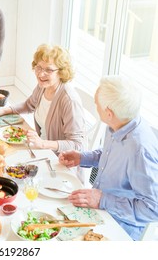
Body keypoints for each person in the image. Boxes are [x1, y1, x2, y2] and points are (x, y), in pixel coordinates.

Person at [59, 77, 158, 240]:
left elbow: (153, 208)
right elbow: (111, 154)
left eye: (97, 104)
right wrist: (82, 158)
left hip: (120, 225)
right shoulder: (121, 122)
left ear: (109, 113)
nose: (95, 106)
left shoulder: (140, 150)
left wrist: (102, 200)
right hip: (99, 208)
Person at [0, 44, 86, 153]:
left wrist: (42, 143)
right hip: (41, 146)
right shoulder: (43, 86)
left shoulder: (69, 101)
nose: (41, 74)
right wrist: (2, 111)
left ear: (61, 72)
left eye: (49, 70)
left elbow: (76, 144)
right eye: (38, 67)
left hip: (59, 157)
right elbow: (28, 105)